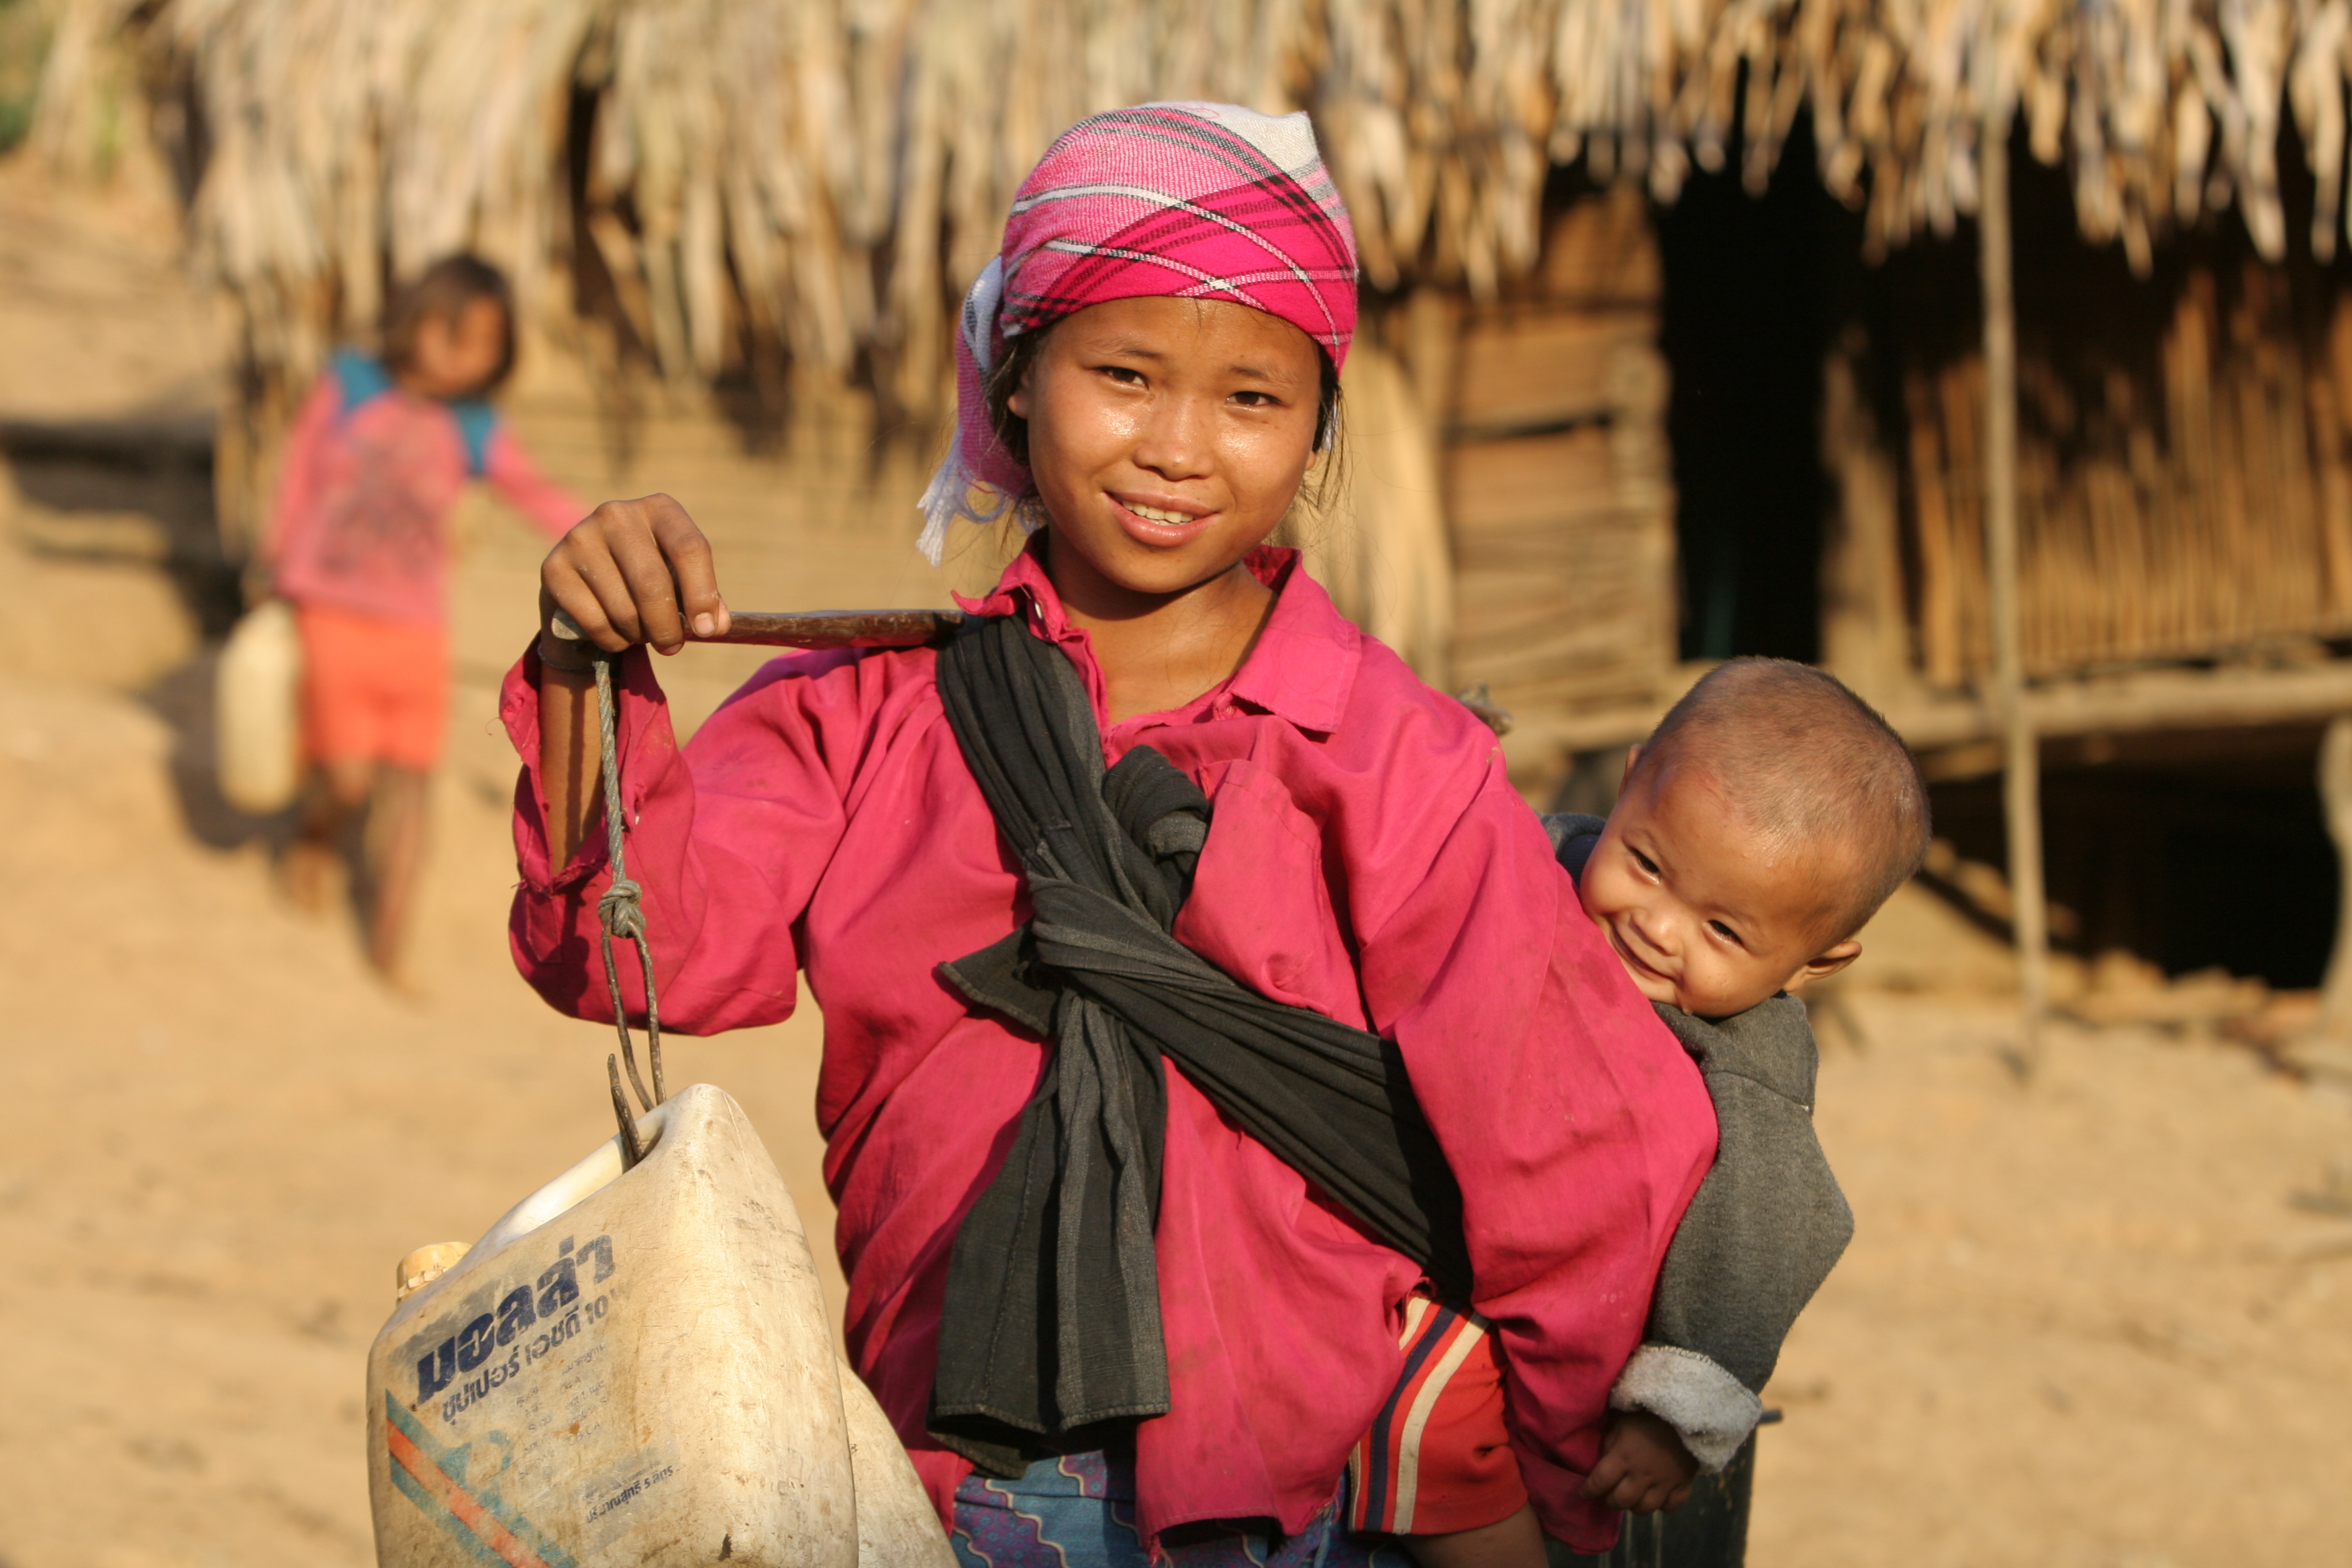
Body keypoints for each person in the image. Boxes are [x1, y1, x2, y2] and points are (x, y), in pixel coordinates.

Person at [509, 102, 1715, 1564]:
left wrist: (1553, 1471)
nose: (1179, 448)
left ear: (1320, 427)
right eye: (1125, 376)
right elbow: (640, 960)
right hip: (945, 1481)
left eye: (1253, 400)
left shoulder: (1398, 762)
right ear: (1018, 381)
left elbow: (1573, 1142)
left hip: (1311, 1493)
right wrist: (586, 663)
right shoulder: (866, 713)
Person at [1357, 657, 1926, 1568]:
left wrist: (1681, 1408)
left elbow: (1779, 1223)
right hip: (1410, 1215)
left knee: (1436, 1439)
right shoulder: (1540, 858)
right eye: (1649, 863)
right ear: (1626, 791)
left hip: (1543, 1344)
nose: (1658, 926)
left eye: (1724, 932)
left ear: (1815, 962)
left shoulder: (1751, 1055)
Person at [264, 255, 583, 979]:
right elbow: (299, 472)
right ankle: (315, 838)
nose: (466, 357)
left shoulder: (475, 427)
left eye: (486, 346)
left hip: (415, 627)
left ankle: (388, 948)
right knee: (347, 777)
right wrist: (275, 565)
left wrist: (603, 529)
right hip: (332, 609)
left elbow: (534, 491)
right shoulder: (349, 385)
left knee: (411, 783)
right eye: (456, 334)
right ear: (418, 318)